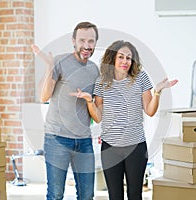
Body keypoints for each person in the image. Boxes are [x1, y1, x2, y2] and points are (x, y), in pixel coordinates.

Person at [70, 40, 178, 200]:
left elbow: (150, 111)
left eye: (129, 58)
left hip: (136, 147)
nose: (125, 61)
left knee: (135, 195)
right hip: (110, 148)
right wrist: (88, 101)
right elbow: (98, 117)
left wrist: (157, 93)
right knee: (115, 196)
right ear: (113, 58)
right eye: (121, 57)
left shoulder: (141, 78)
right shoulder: (102, 81)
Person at [32, 21, 100, 200]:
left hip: (84, 141)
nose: (86, 45)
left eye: (91, 41)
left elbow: (97, 113)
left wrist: (88, 100)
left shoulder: (94, 70)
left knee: (87, 195)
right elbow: (44, 97)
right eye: (82, 40)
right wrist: (49, 67)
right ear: (73, 41)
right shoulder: (59, 62)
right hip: (57, 139)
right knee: (55, 194)